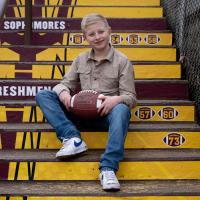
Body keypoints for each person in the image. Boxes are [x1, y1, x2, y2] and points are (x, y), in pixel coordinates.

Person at [36, 13, 137, 191]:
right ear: (85, 38)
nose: (97, 37)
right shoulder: (80, 59)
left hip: (106, 117)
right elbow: (63, 84)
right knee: (44, 94)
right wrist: (65, 93)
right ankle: (72, 138)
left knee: (122, 110)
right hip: (80, 113)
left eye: (101, 32)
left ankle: (108, 168)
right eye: (92, 34)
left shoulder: (123, 61)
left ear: (109, 31)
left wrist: (115, 100)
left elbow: (130, 96)